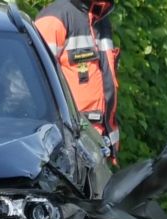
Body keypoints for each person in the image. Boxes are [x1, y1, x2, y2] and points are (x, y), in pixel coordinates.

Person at [34, 0, 120, 160]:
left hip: (96, 146)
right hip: (66, 148)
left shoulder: (101, 19)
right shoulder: (54, 18)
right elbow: (26, 84)